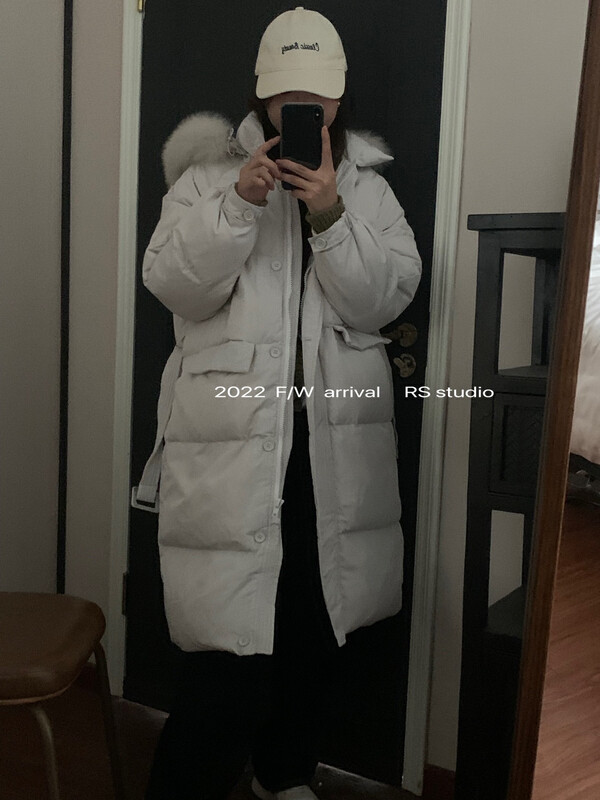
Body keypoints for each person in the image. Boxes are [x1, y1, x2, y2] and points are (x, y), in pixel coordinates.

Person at [136, 7, 422, 799]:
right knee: (224, 657)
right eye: (287, 95)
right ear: (261, 97)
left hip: (331, 453)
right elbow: (173, 285)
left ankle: (283, 775)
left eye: (316, 95)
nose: (303, 108)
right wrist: (238, 203)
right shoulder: (204, 183)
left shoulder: (368, 193)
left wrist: (329, 211)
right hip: (231, 448)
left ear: (339, 96)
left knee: (312, 634)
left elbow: (384, 298)